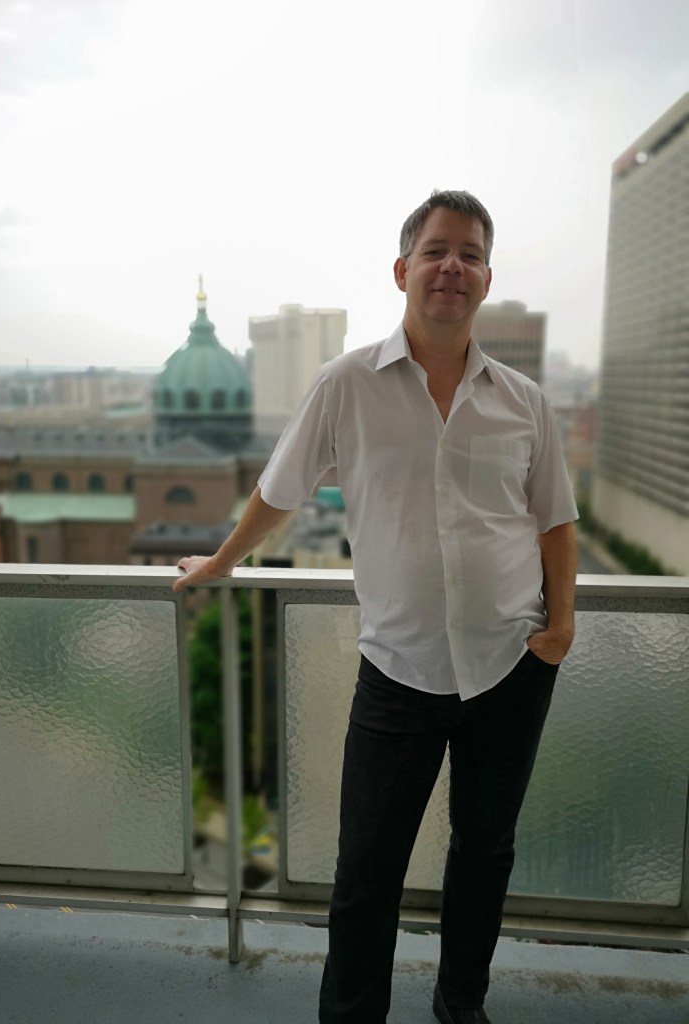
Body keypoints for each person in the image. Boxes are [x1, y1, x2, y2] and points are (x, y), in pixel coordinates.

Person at [172, 190, 578, 1024]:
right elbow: (280, 489)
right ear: (402, 270)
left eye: (470, 254)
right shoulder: (347, 383)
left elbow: (554, 519)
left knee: (485, 854)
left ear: (486, 278)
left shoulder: (524, 401)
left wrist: (563, 622)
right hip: (398, 668)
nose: (452, 266)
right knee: (366, 870)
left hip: (510, 663)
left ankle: (460, 1003)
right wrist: (221, 561)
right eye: (436, 250)